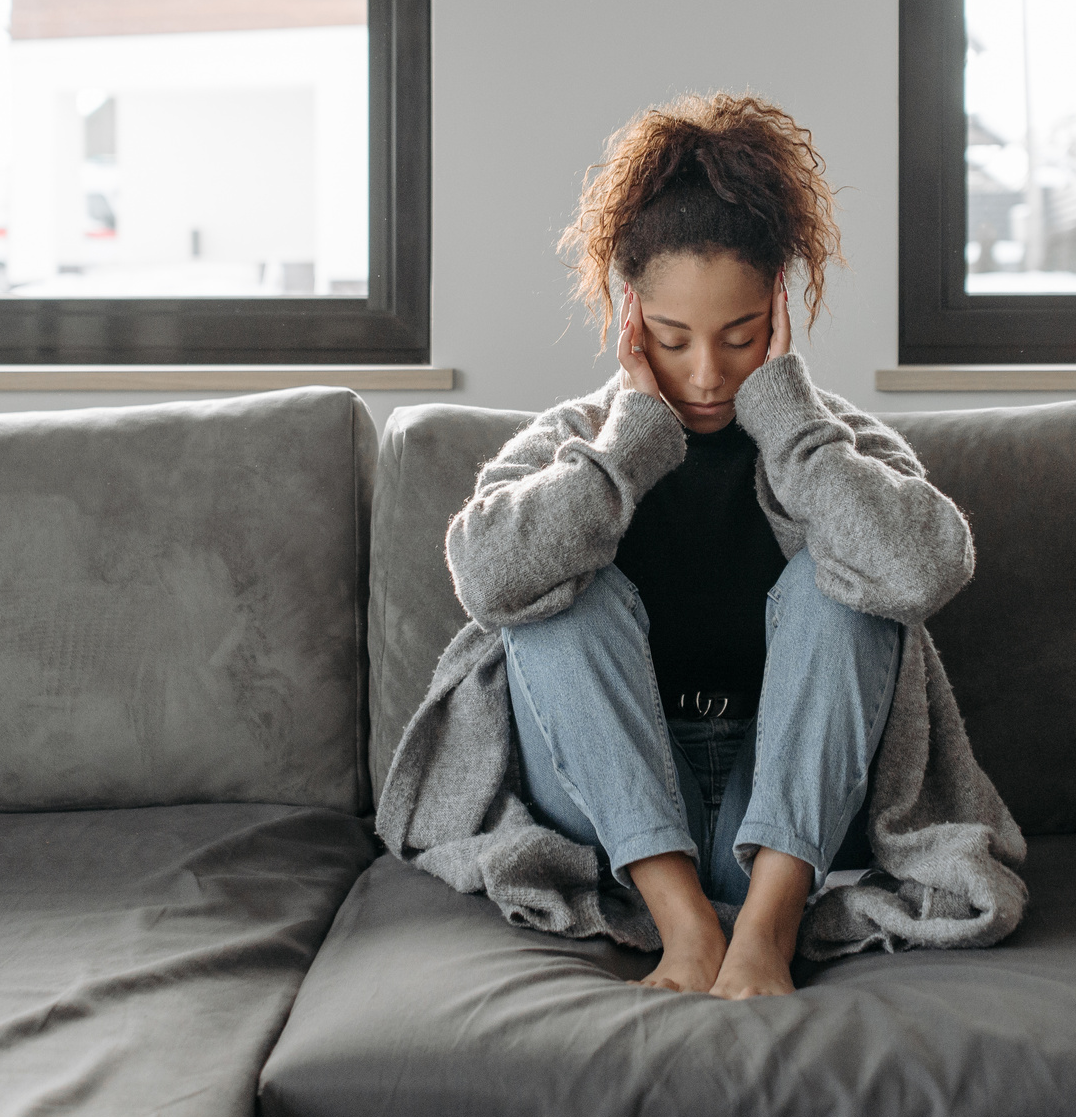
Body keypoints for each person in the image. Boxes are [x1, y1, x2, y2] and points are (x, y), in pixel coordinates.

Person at [376, 93, 1026, 999]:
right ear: (628, 314)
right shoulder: (578, 440)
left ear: (780, 315)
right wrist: (622, 454)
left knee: (843, 583)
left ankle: (763, 930)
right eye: (675, 341)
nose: (708, 373)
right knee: (559, 597)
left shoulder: (829, 445)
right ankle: (684, 928)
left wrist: (793, 426)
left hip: (796, 811)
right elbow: (487, 579)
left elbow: (923, 569)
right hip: (617, 812)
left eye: (741, 337)